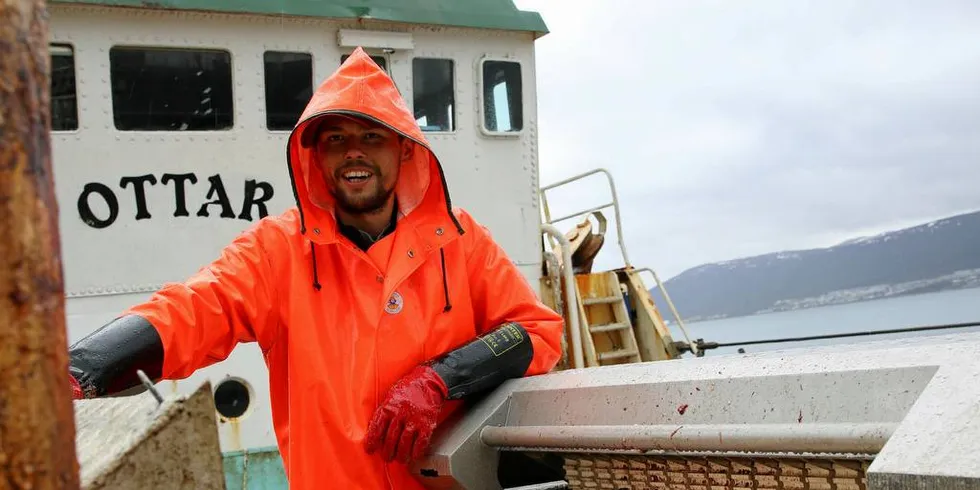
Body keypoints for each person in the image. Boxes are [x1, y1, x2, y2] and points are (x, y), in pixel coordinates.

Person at [66, 47, 564, 489]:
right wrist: (84, 366)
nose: (354, 151)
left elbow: (536, 331)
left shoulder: (461, 239)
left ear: (405, 150)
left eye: (373, 136)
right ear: (315, 158)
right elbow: (196, 308)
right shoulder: (276, 250)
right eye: (335, 138)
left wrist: (437, 381)